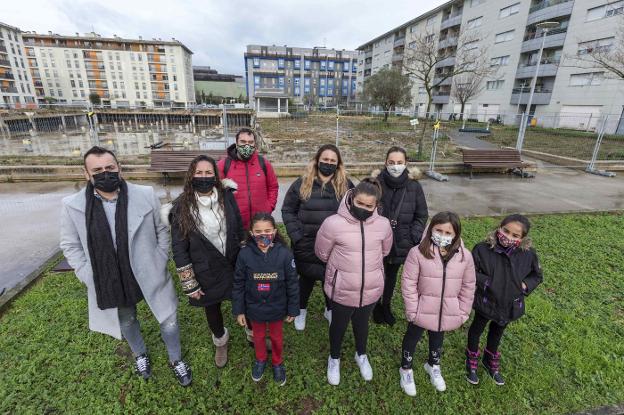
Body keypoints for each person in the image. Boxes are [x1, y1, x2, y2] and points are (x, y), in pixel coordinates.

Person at [60, 146, 191, 386]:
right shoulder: (72, 205)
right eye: (97, 170)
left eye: (110, 167)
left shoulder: (144, 194)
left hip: (148, 268)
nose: (105, 173)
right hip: (109, 276)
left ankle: (175, 359)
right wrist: (87, 273)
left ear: (119, 167)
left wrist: (160, 257)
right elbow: (70, 245)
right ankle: (140, 354)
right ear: (86, 174)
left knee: (169, 319)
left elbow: (161, 229)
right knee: (128, 320)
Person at [161, 155, 244, 369]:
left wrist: (247, 256)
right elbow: (179, 249)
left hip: (233, 262)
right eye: (199, 172)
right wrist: (190, 284)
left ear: (215, 176)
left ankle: (253, 332)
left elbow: (239, 227)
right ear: (191, 176)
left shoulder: (227, 196)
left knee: (244, 299)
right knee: (212, 307)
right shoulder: (181, 208)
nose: (204, 177)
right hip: (205, 269)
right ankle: (221, 341)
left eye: (209, 173)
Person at [314, 178, 393, 386]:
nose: (364, 209)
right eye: (360, 203)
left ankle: (361, 354)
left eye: (370, 206)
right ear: (351, 199)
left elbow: (385, 251)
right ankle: (334, 358)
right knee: (338, 326)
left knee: (361, 324)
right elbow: (322, 253)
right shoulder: (332, 223)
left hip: (370, 288)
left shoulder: (383, 225)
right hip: (342, 288)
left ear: (376, 205)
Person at [398, 212, 476, 397]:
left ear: (456, 234)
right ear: (431, 229)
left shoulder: (465, 257)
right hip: (421, 310)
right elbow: (408, 283)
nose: (443, 235)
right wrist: (413, 310)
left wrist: (463, 312)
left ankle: (433, 364)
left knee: (438, 337)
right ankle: (406, 369)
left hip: (447, 311)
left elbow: (468, 285)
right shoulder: (417, 253)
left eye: (448, 232)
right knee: (412, 337)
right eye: (438, 230)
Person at [282, 144, 354, 331]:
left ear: (338, 164)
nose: (328, 163)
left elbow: (355, 211)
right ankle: (301, 309)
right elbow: (288, 210)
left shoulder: (346, 185)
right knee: (305, 279)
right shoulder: (302, 183)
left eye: (332, 161)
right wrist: (297, 235)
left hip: (334, 246)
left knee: (330, 279)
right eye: (325, 160)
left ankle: (329, 309)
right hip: (306, 243)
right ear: (317, 160)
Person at [466, 214, 543, 386]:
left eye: (515, 235)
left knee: (497, 331)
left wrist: (524, 285)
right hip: (486, 299)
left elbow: (536, 275)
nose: (508, 237)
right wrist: (486, 282)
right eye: (505, 231)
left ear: (522, 238)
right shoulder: (482, 249)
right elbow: (470, 270)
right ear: (499, 228)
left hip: (509, 303)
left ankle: (489, 358)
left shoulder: (528, 255)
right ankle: (471, 358)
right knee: (477, 328)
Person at [232, 213, 299, 386]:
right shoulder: (244, 254)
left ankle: (277, 362)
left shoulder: (285, 254)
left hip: (277, 306)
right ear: (252, 233)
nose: (264, 235)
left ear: (275, 231)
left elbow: (292, 283)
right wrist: (239, 310)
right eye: (259, 231)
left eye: (268, 230)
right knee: (258, 337)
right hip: (254, 308)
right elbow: (238, 283)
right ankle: (260, 359)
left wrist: (293, 309)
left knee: (276, 337)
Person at [372, 146, 428, 326]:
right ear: (385, 163)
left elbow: (421, 214)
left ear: (406, 164)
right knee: (375, 274)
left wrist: (414, 236)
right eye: (391, 163)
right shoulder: (375, 184)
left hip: (401, 241)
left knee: (391, 275)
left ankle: (385, 305)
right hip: (377, 241)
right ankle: (373, 305)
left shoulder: (414, 187)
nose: (395, 166)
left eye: (399, 163)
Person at [217, 128, 279, 230]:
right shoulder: (223, 165)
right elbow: (216, 193)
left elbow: (273, 187)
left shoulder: (264, 163)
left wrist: (268, 208)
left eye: (250, 142)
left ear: (255, 144)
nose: (247, 145)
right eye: (243, 142)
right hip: (235, 225)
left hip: (260, 224)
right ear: (236, 144)